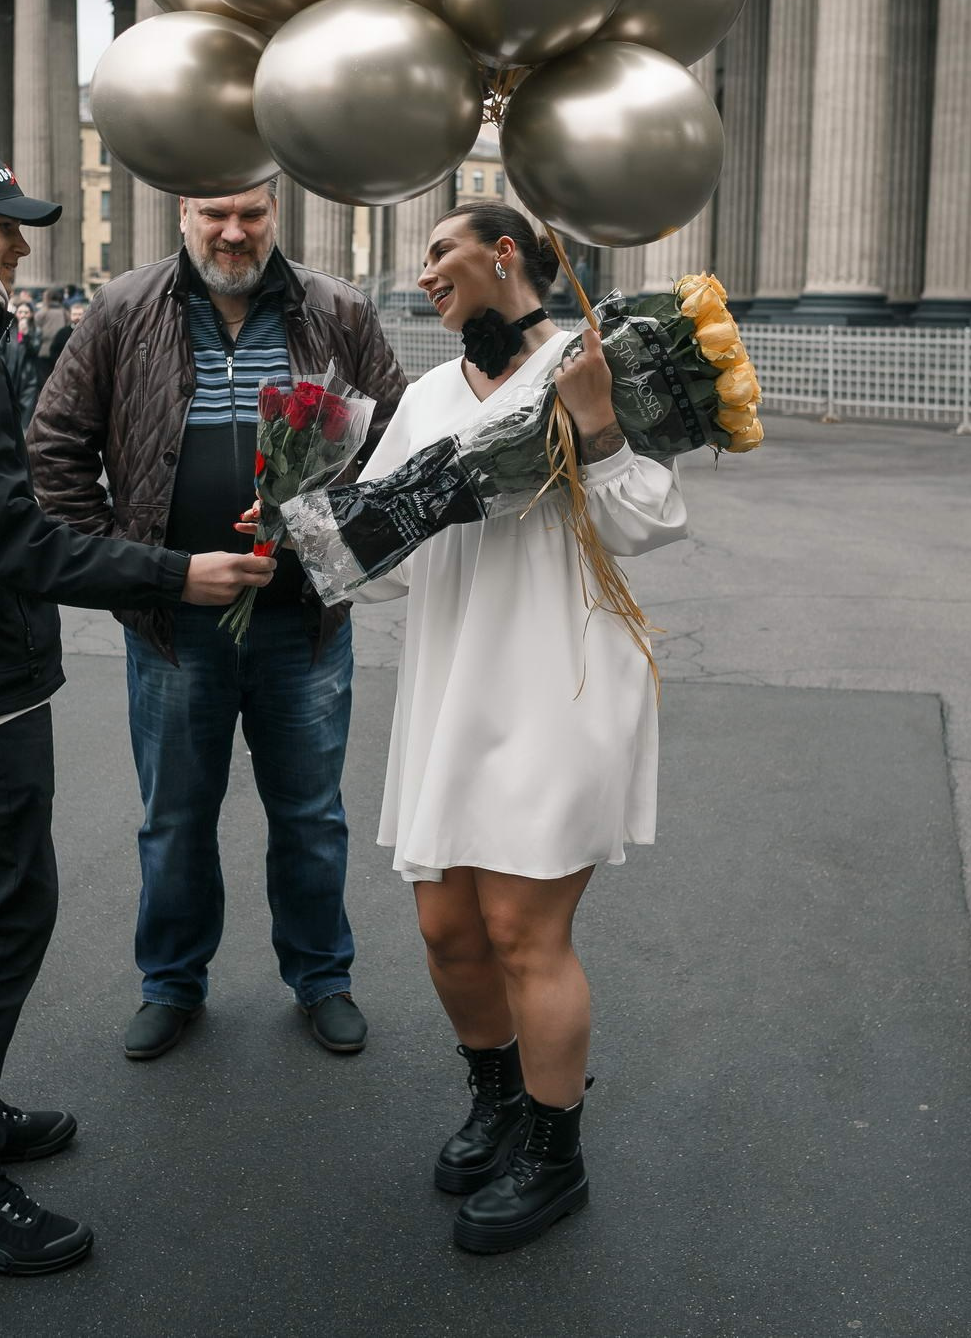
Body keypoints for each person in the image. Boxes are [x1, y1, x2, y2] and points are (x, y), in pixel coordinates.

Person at [0, 146, 275, 1277]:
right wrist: (168, 571)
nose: (23, 244)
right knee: (0, 912)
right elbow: (9, 539)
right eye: (5, 225)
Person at [344, 202, 688, 1255]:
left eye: (441, 249)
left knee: (522, 931)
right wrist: (313, 534)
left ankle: (553, 1150)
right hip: (451, 689)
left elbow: (649, 522)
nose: (425, 270)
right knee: (447, 932)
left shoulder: (596, 362)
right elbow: (382, 556)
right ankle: (496, 1097)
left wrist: (597, 423)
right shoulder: (429, 393)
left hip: (561, 680)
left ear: (505, 253)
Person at [31, 182, 405, 1062]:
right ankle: (171, 981)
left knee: (311, 813)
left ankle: (322, 976)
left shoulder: (336, 309)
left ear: (275, 213)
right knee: (175, 816)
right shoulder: (125, 309)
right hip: (173, 624)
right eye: (215, 213)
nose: (233, 232)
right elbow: (54, 448)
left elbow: (393, 444)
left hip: (302, 621)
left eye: (251, 213)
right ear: (185, 216)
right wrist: (139, 575)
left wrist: (321, 534)